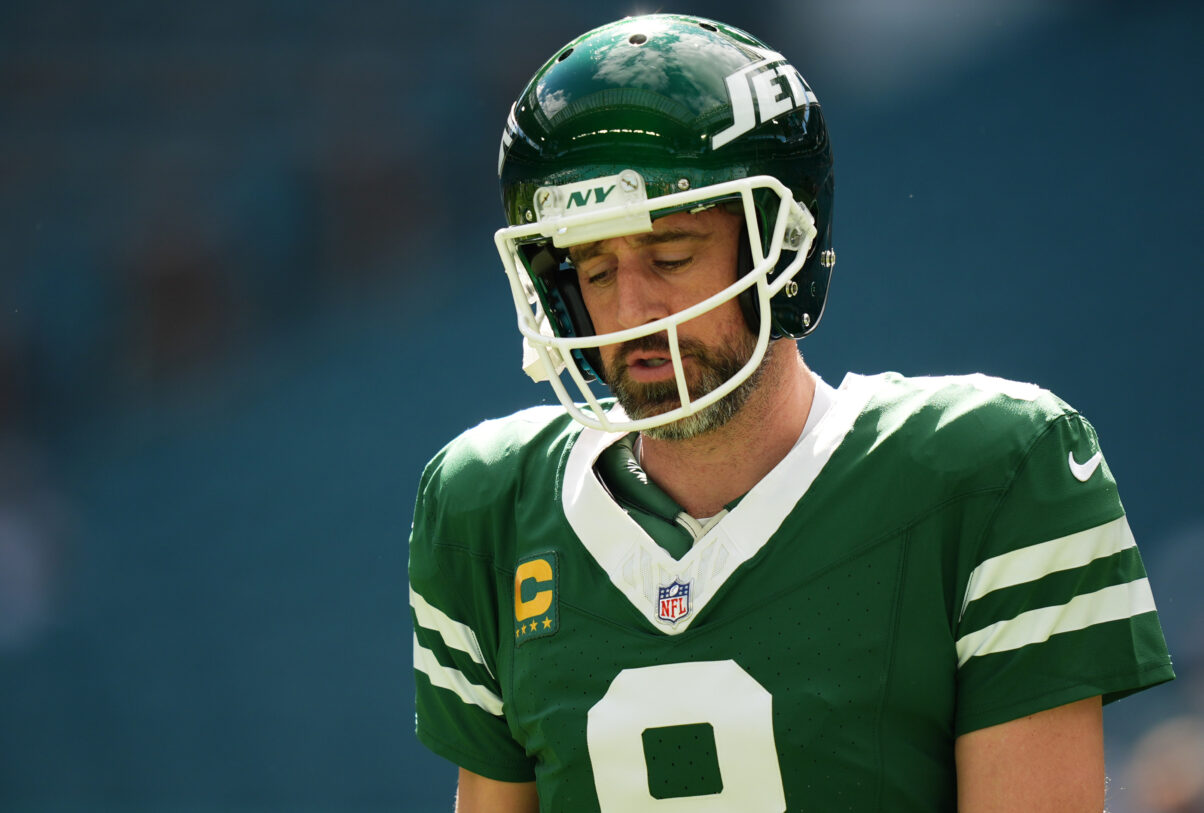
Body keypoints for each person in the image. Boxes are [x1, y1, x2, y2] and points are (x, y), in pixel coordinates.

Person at [408, 13, 1175, 812]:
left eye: (671, 257)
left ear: (783, 245)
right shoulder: (486, 508)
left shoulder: (992, 471)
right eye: (596, 272)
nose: (633, 310)